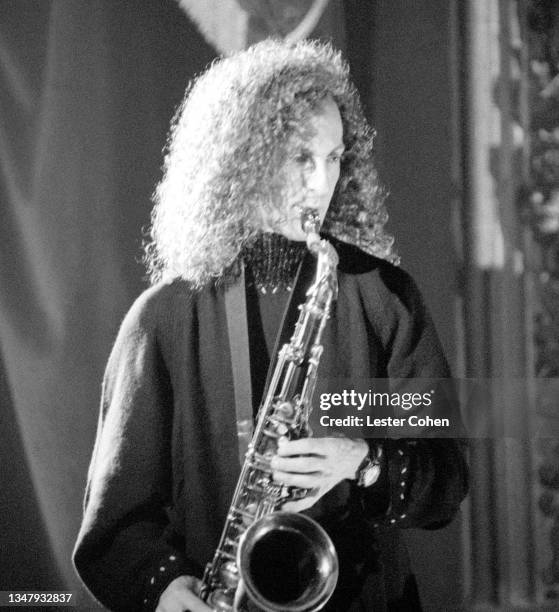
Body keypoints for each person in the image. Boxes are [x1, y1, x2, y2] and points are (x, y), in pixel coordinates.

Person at [73, 39, 468, 611]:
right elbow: (114, 521)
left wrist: (364, 462)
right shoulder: (162, 317)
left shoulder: (383, 298)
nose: (321, 182)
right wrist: (163, 587)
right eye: (300, 158)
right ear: (243, 158)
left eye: (333, 158)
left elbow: (447, 479)